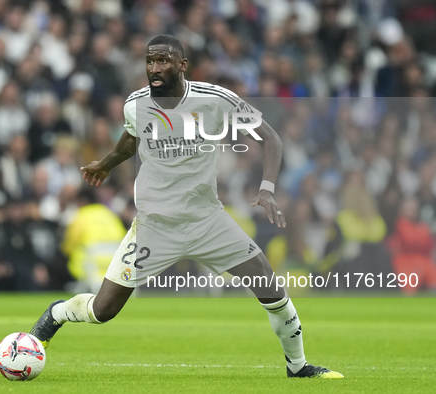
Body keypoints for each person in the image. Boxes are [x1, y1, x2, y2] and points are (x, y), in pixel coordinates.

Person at [31, 35, 343, 379]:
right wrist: (106, 163)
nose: (154, 68)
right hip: (154, 226)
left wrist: (267, 188)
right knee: (103, 310)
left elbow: (271, 138)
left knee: (271, 290)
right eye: (150, 61)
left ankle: (297, 367)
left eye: (163, 61)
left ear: (182, 65)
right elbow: (132, 138)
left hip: (207, 220)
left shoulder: (214, 100)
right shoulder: (136, 103)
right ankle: (57, 314)